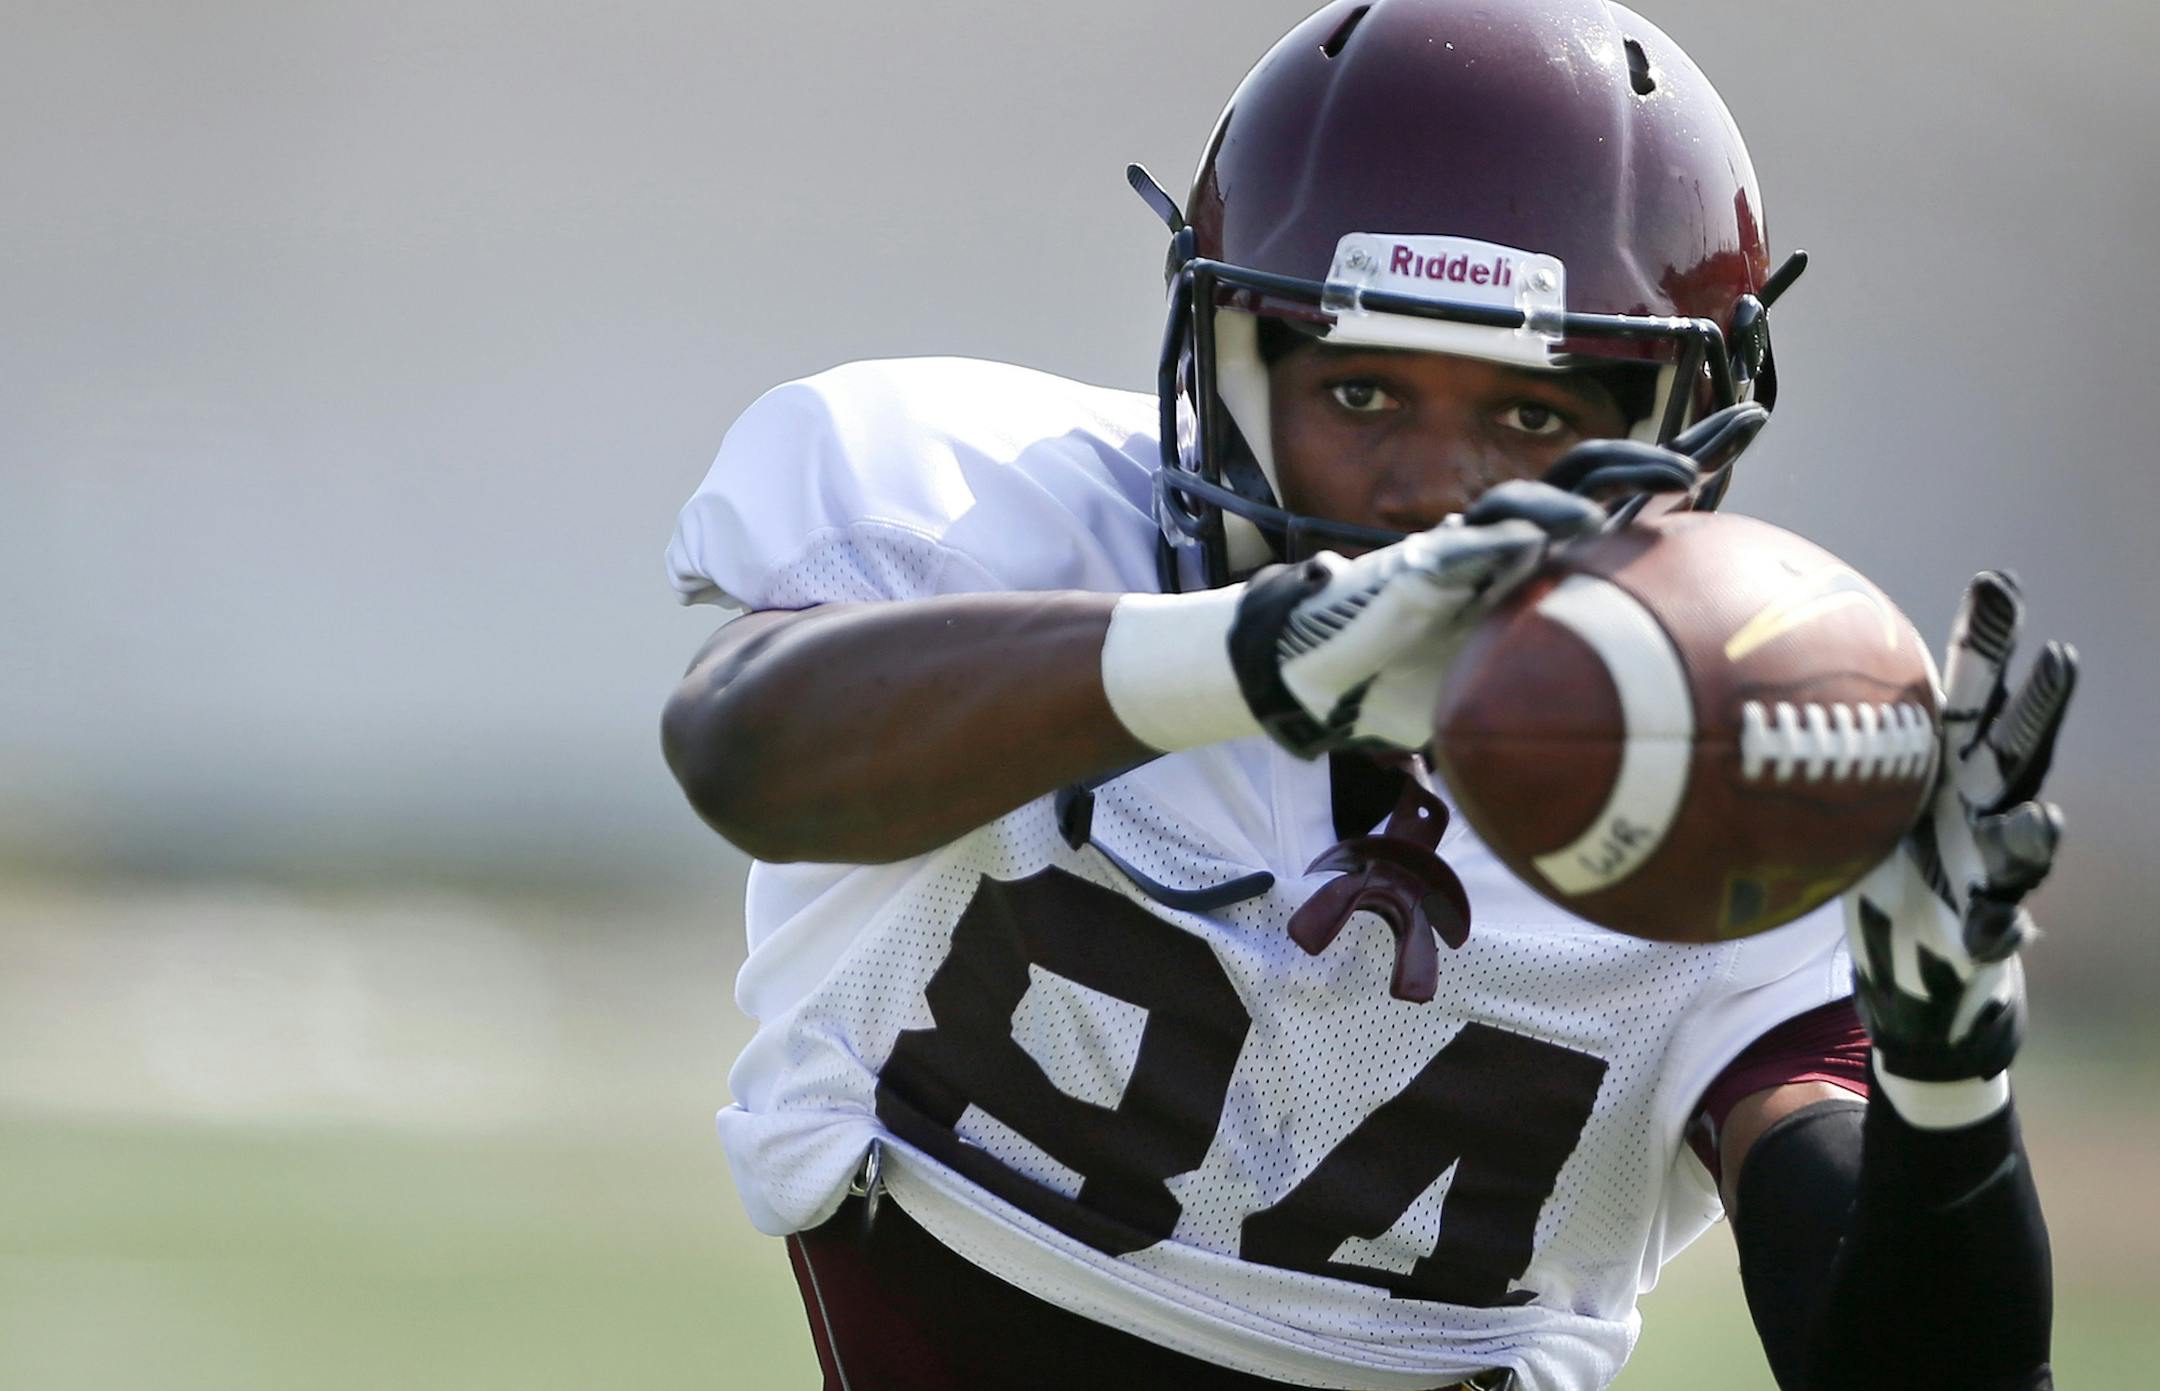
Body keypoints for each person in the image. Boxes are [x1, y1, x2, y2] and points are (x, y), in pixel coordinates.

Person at [661, 3, 2073, 1387]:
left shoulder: (1740, 760)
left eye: (1533, 416)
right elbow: (743, 750)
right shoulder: (994, 531)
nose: (1432, 497)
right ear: (1231, 374)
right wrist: (1242, 655)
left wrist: (1947, 1079)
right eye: (1361, 396)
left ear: (1677, 438)